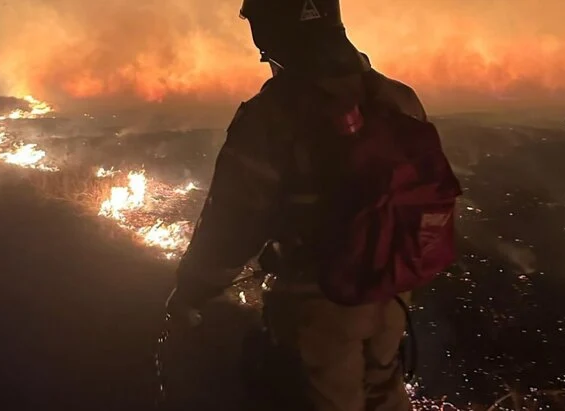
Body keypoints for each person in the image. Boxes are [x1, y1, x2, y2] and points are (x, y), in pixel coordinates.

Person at [167, 0, 437, 410]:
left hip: (321, 304)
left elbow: (231, 223)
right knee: (384, 391)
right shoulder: (399, 98)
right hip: (393, 295)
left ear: (270, 32)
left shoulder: (271, 115)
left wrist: (192, 289)